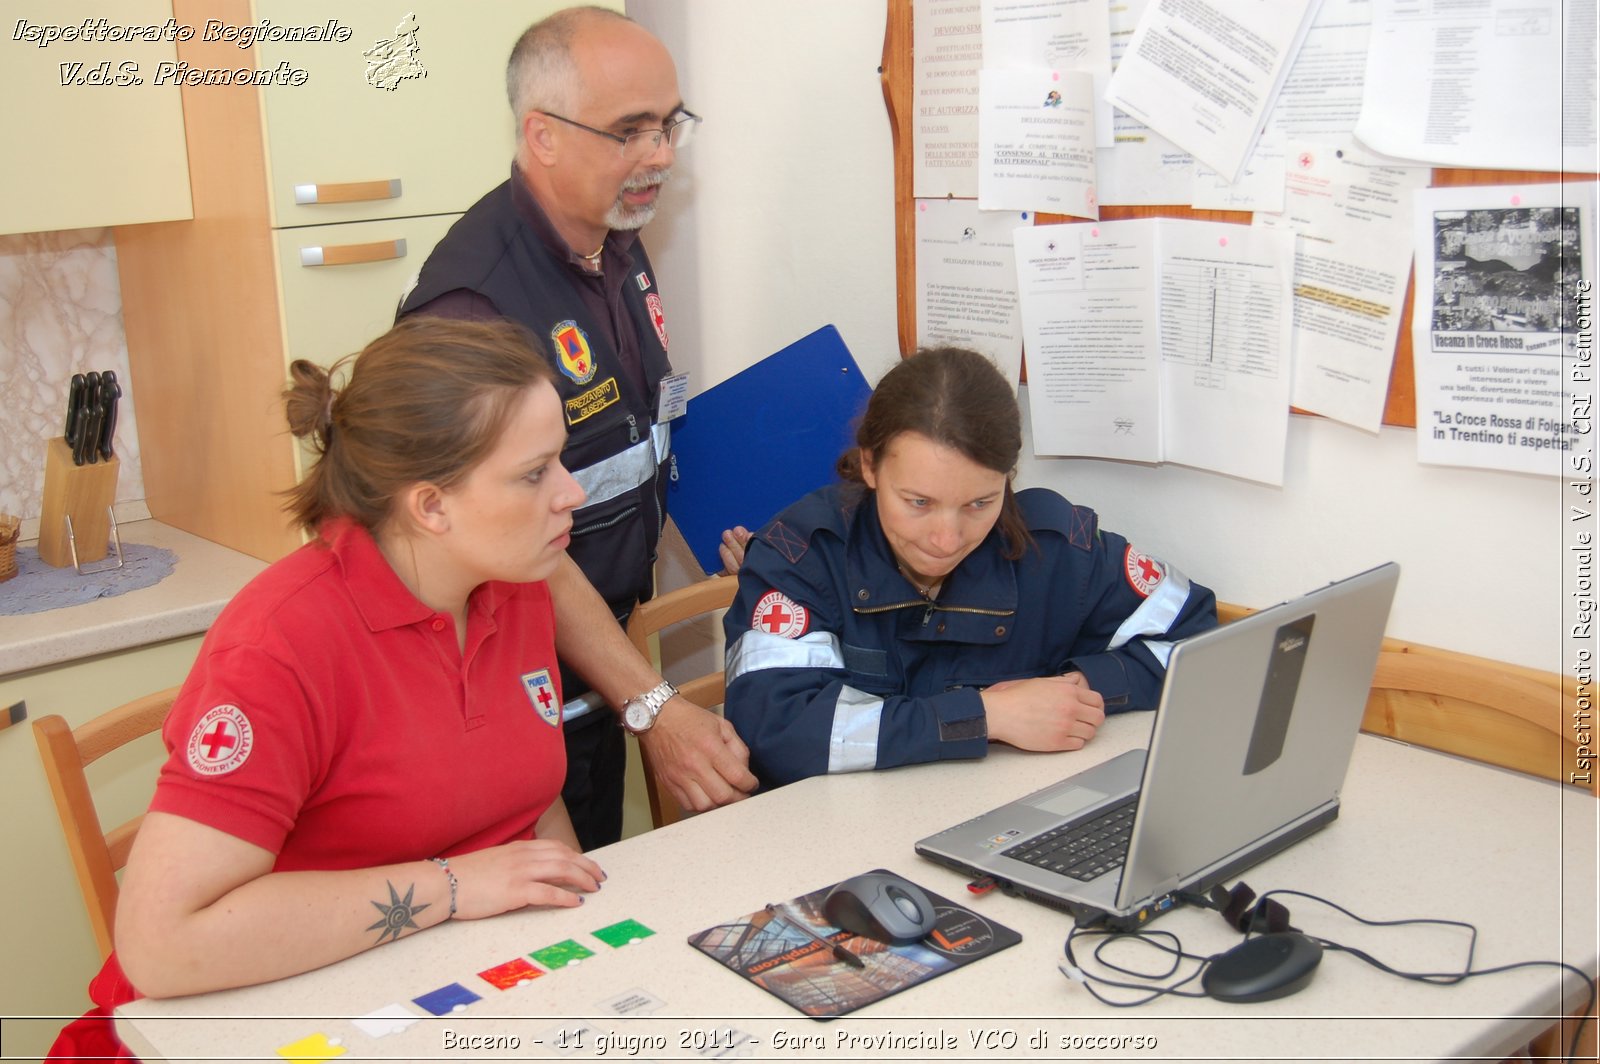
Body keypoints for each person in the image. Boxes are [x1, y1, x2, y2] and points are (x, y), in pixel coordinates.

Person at [47, 318, 614, 1058]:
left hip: (423, 994)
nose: (571, 492)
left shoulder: (511, 585)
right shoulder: (282, 644)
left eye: (561, 461)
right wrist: (450, 887)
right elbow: (163, 944)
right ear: (431, 506)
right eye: (535, 473)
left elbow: (527, 805)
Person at [398, 5, 755, 848]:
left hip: (602, 664)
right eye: (630, 131)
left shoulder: (615, 237)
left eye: (669, 126)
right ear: (542, 135)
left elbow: (635, 442)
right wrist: (653, 702)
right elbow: (515, 542)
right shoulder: (473, 308)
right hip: (516, 695)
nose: (660, 155)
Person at [722, 347, 1218, 788]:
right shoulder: (800, 557)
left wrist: (1075, 693)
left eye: (980, 503)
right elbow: (778, 735)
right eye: (918, 501)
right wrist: (985, 716)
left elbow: (1197, 644)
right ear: (870, 465)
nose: (946, 539)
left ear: (1009, 478)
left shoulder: (1059, 550)